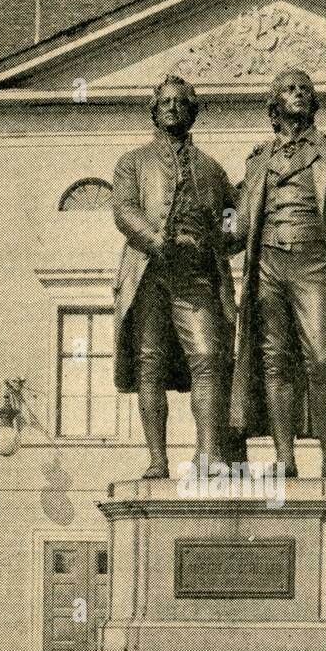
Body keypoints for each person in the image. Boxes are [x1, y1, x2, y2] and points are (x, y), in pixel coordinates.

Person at [230, 68, 326, 480]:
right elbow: (240, 223)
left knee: (323, 356)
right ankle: (284, 457)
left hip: (315, 262)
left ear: (313, 102)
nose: (298, 94)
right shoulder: (259, 157)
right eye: (289, 90)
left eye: (304, 90)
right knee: (274, 359)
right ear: (275, 105)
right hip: (267, 266)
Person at [111, 75, 240, 478]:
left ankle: (209, 457)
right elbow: (124, 210)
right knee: (150, 362)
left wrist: (223, 234)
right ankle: (158, 460)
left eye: (181, 102)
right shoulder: (132, 162)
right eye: (165, 102)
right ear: (154, 111)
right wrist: (158, 240)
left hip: (196, 276)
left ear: (193, 112)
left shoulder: (213, 170)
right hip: (149, 272)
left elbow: (233, 221)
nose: (172, 107)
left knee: (208, 356)